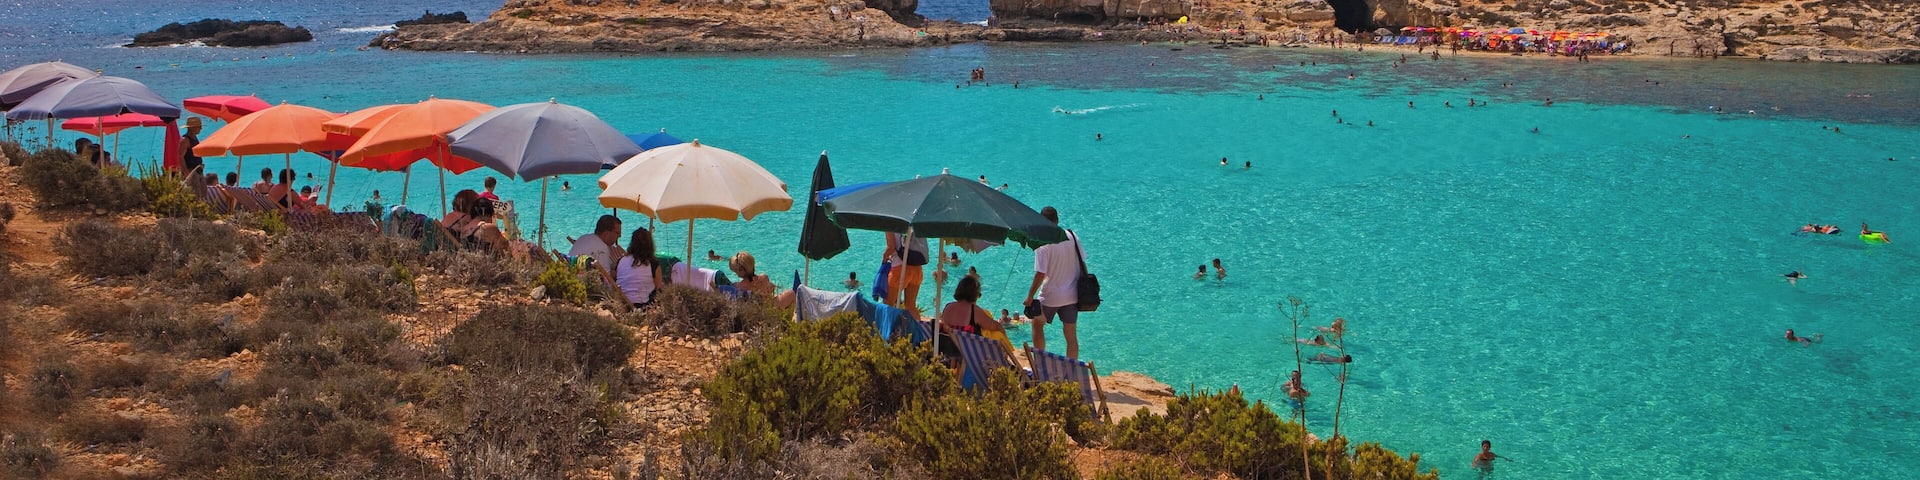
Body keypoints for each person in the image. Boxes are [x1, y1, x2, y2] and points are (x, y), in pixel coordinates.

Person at [1023, 206, 1085, 358]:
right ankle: (1071, 368)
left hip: (1051, 296)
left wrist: (1030, 296)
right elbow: (1083, 263)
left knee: (1037, 324)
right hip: (1072, 295)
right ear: (1057, 220)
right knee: (1071, 335)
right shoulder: (1072, 236)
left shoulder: (1042, 243)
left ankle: (1040, 361)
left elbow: (1040, 274)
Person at [937, 274, 1006, 360]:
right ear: (975, 294)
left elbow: (945, 327)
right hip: (968, 357)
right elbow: (996, 326)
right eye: (979, 294)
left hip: (947, 354)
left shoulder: (948, 307)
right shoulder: (974, 311)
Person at [616, 228, 664, 308]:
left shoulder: (621, 260)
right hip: (643, 305)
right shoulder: (652, 263)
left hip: (622, 303)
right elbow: (658, 288)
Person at [886, 230, 930, 312]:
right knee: (911, 306)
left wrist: (884, 258)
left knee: (888, 304)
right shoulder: (913, 223)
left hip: (899, 268)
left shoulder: (890, 224)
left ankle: (891, 321)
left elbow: (891, 247)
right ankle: (916, 321)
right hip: (916, 269)